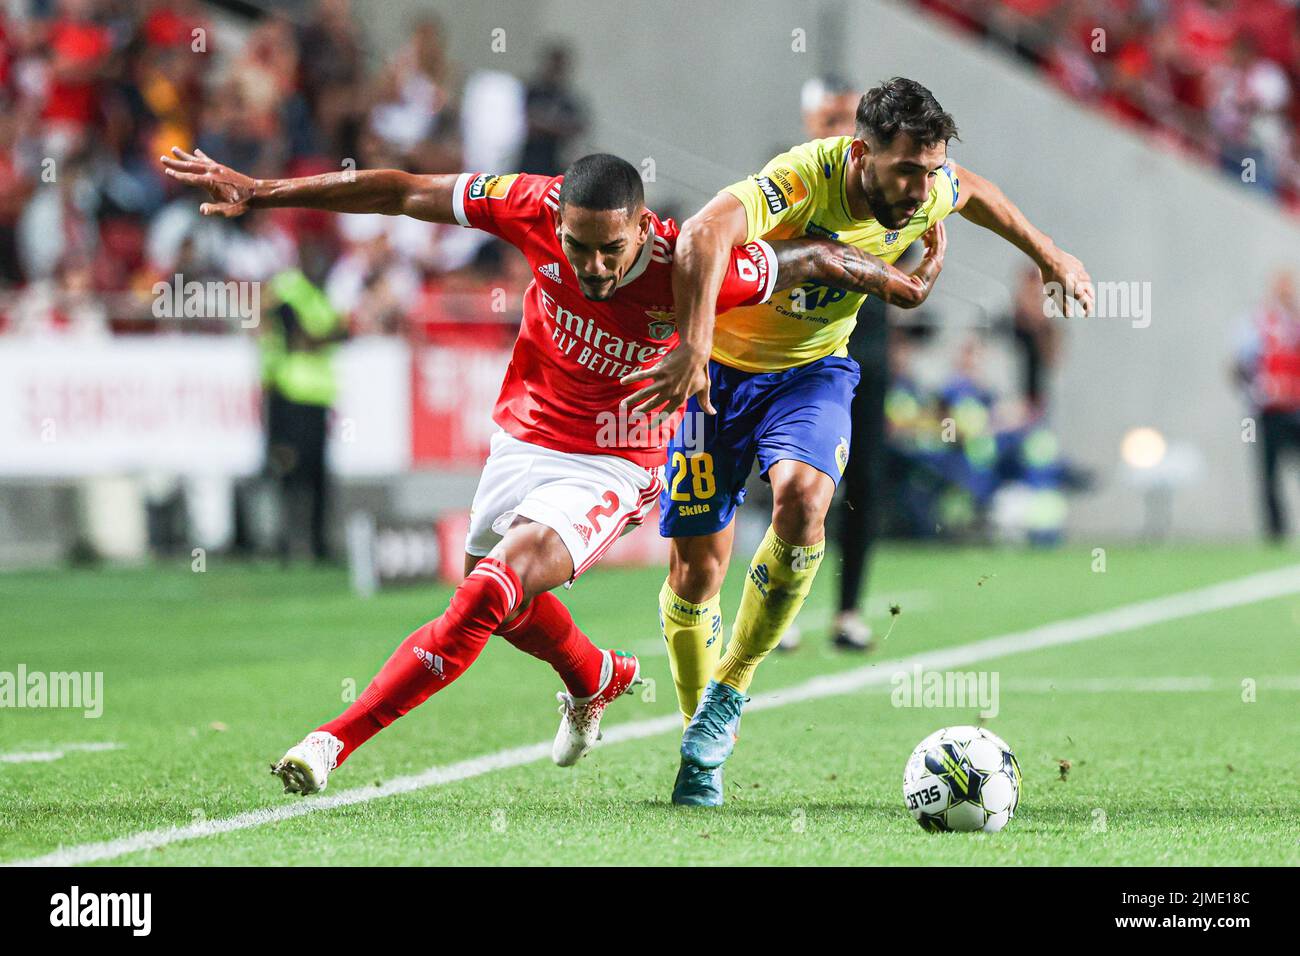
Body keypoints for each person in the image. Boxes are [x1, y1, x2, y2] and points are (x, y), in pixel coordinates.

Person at [160, 145, 946, 795]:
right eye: (579, 247)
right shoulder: (529, 204)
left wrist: (894, 280)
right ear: (557, 221)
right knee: (496, 609)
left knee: (485, 593)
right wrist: (263, 191)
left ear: (645, 227)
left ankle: (331, 742)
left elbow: (811, 257)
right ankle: (594, 673)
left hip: (613, 458)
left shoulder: (692, 266)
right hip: (524, 435)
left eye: (613, 248)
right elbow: (401, 191)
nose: (597, 266)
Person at [629, 76, 1094, 806]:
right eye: (905, 169)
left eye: (928, 169)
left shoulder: (931, 185)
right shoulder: (797, 180)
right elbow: (699, 236)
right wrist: (692, 345)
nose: (919, 189)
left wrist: (1048, 253)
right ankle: (701, 739)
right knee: (695, 577)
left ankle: (732, 688)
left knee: (804, 502)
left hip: (812, 373)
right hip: (716, 375)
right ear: (861, 151)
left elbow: (974, 190)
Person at [1235, 270, 1300, 540]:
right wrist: (1254, 393)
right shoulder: (1257, 323)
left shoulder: (1296, 323)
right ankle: (1276, 533)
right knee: (1268, 475)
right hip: (1269, 412)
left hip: (1296, 409)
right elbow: (1239, 364)